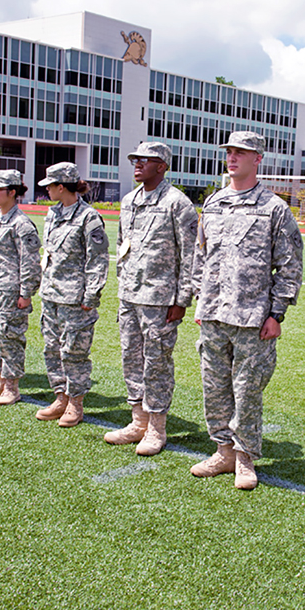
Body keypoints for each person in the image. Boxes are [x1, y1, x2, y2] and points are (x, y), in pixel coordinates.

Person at [190, 131, 304, 490]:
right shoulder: (213, 204)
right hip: (213, 315)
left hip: (253, 318)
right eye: (230, 152)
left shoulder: (274, 208)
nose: (233, 158)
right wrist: (200, 297)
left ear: (258, 159)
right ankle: (222, 450)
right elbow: (201, 255)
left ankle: (244, 457)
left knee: (248, 390)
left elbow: (289, 265)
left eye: (242, 152)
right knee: (214, 387)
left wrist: (277, 313)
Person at [104, 142, 198, 456]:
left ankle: (157, 427)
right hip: (130, 294)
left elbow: (191, 256)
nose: (138, 164)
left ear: (162, 165)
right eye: (135, 159)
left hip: (161, 299)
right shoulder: (129, 201)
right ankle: (138, 421)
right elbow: (122, 244)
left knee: (157, 363)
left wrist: (182, 299)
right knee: (131, 358)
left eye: (145, 160)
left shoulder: (177, 203)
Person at [34, 162, 109, 427]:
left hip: (75, 298)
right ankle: (59, 397)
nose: (47, 191)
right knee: (52, 349)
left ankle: (75, 403)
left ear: (61, 186)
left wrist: (91, 296)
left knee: (74, 351)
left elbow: (98, 260)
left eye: (50, 186)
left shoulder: (89, 217)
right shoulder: (52, 214)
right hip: (51, 293)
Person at [0, 170, 42, 406]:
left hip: (10, 291)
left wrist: (26, 293)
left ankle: (11, 386)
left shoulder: (21, 224)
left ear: (12, 192)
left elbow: (30, 262)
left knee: (9, 336)